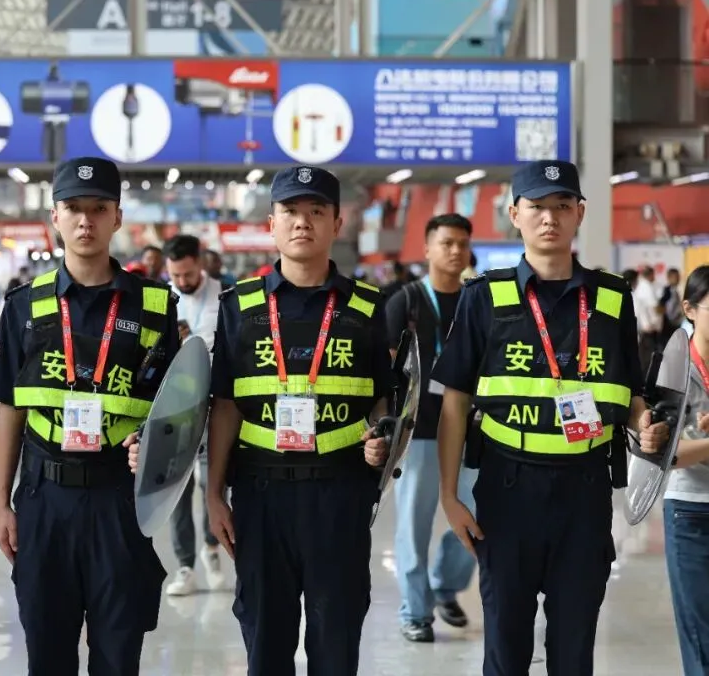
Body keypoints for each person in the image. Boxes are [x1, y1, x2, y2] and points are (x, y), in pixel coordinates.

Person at [133, 165, 392, 674]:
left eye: (316, 211)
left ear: (337, 224)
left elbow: (380, 398)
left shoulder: (366, 308)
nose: (303, 222)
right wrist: (214, 494)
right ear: (271, 224)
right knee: (266, 640)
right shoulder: (239, 308)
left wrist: (380, 438)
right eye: (290, 211)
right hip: (261, 495)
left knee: (337, 637)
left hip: (341, 493)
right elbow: (225, 406)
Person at [433, 160, 671, 676]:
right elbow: (455, 401)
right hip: (508, 490)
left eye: (562, 206)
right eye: (537, 206)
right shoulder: (484, 297)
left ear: (579, 213)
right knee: (505, 648)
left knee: (574, 650)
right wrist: (449, 496)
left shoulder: (612, 298)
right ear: (514, 214)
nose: (549, 218)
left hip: (585, 492)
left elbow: (628, 392)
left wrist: (644, 423)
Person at [0, 156, 179, 676]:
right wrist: (0, 504)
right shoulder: (24, 306)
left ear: (118, 217)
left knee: (118, 653)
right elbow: (9, 409)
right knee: (47, 652)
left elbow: (173, 409)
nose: (86, 220)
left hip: (120, 500)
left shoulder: (155, 306)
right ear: (55, 217)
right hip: (44, 498)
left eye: (98, 209)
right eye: (73, 208)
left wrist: (153, 446)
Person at [384, 213, 477, 643]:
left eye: (462, 243)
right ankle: (415, 610)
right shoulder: (406, 301)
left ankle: (445, 586)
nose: (456, 251)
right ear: (427, 249)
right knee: (413, 523)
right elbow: (387, 368)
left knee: (476, 514)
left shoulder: (477, 301)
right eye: (447, 243)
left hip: (472, 429)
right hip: (419, 430)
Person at [161, 234, 225, 596]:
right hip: (175, 408)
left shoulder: (226, 296)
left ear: (200, 263)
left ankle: (211, 549)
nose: (181, 282)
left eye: (187, 274)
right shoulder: (160, 300)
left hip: (215, 406)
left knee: (212, 483)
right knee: (178, 487)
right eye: (175, 275)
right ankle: (185, 565)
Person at [662, 264, 709, 675]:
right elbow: (669, 454)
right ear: (690, 309)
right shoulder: (675, 365)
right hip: (690, 509)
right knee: (701, 636)